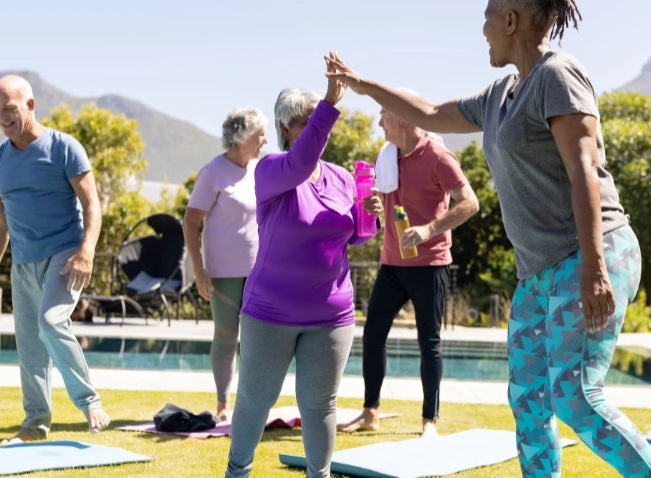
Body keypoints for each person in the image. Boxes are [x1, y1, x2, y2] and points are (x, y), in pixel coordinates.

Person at [326, 1, 651, 476]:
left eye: (488, 15)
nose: (483, 28)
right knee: (528, 398)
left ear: (511, 20)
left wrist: (594, 269)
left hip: (592, 253)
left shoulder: (558, 76)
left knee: (575, 397)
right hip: (538, 270)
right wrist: (360, 84)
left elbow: (584, 171)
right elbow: (430, 112)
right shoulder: (500, 94)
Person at [225, 52, 382, 478]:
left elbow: (354, 235)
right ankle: (237, 472)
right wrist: (329, 103)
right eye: (305, 121)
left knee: (320, 405)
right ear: (286, 129)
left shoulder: (342, 177)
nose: (316, 128)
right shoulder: (272, 170)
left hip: (331, 314)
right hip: (269, 312)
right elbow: (301, 162)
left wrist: (369, 217)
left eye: (318, 120)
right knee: (255, 401)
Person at [0, 74, 110, 443]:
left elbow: (92, 204)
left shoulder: (64, 148)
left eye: (9, 108)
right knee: (30, 346)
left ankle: (89, 402)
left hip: (64, 254)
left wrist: (86, 251)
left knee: (51, 322)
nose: (2, 117)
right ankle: (35, 425)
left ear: (30, 105)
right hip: (23, 262)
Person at [337, 107, 479, 437]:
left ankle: (430, 421)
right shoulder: (387, 156)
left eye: (383, 115)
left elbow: (469, 203)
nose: (378, 122)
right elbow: (384, 202)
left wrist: (429, 229)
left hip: (430, 265)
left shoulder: (439, 157)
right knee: (373, 335)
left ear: (402, 118)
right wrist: (374, 206)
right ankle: (370, 412)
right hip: (392, 263)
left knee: (428, 342)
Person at [182, 106, 268, 421]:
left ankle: (252, 401)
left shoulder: (260, 169)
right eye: (260, 135)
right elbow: (190, 221)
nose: (265, 141)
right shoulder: (214, 172)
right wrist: (199, 269)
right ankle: (223, 403)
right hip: (223, 272)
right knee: (226, 334)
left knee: (259, 337)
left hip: (259, 270)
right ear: (242, 137)